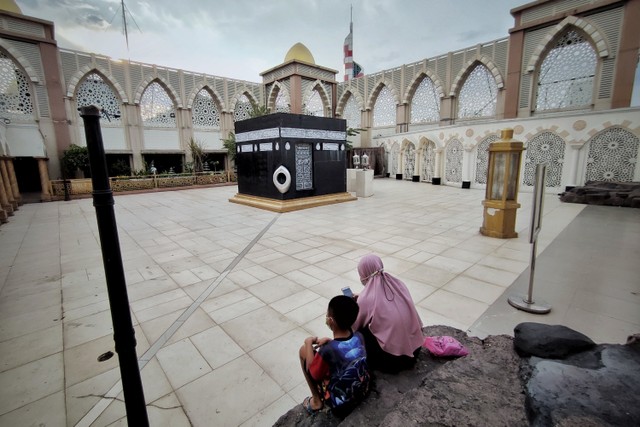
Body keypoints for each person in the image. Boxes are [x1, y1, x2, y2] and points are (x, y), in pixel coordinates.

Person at [299, 295, 371, 417]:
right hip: (363, 390)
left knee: (303, 351)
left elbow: (314, 375)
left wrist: (308, 342)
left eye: (327, 316)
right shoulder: (360, 336)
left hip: (341, 405)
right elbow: (342, 349)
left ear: (331, 321)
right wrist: (330, 341)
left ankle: (316, 401)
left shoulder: (327, 351)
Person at [352, 254, 424, 373]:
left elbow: (355, 325)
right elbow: (386, 301)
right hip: (415, 350)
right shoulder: (398, 284)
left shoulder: (366, 299)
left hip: (393, 361)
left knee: (360, 333)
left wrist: (359, 303)